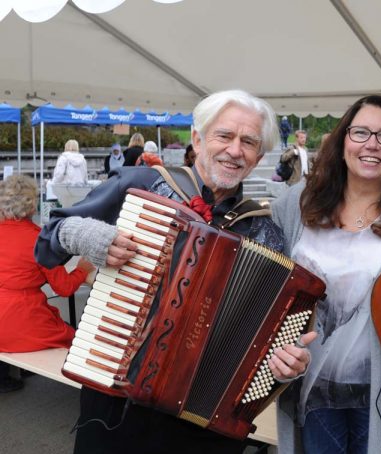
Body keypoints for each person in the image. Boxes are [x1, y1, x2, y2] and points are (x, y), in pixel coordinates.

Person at [35, 90, 314, 454]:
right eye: (225, 135)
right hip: (113, 400)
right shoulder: (138, 185)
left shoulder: (266, 233)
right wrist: (87, 235)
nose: (235, 150)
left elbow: (269, 344)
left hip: (203, 424)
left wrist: (284, 366)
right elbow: (47, 243)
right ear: (197, 139)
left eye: (248, 142)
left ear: (258, 157)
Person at [272, 95, 381, 453]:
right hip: (307, 386)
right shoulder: (295, 205)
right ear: (343, 140)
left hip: (379, 391)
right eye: (360, 132)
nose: (372, 144)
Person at [0, 175, 94, 392]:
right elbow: (64, 288)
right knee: (73, 335)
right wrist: (82, 269)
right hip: (23, 317)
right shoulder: (38, 239)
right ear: (32, 205)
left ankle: (6, 376)